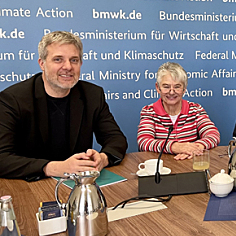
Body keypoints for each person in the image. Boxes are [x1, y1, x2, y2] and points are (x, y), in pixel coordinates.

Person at [0, 31, 127, 181]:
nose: (68, 67)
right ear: (42, 63)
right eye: (58, 59)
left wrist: (102, 158)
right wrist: (56, 168)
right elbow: (2, 158)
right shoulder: (13, 99)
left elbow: (116, 139)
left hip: (79, 186)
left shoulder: (92, 95)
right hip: (32, 185)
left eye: (74, 60)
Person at [137, 62, 220, 160]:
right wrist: (174, 147)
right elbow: (144, 141)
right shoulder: (149, 112)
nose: (171, 92)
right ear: (157, 88)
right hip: (161, 168)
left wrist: (194, 148)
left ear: (184, 89)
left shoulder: (196, 110)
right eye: (166, 87)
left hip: (190, 167)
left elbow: (213, 134)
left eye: (177, 87)